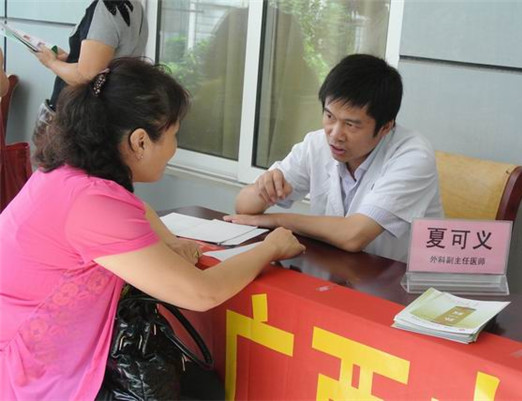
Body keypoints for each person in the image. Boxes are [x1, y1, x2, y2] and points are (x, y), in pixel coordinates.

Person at [0, 57, 305, 400]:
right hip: (28, 378)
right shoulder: (93, 203)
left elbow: (137, 211)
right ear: (140, 141)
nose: (174, 148)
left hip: (41, 357)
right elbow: (201, 293)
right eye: (174, 135)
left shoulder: (69, 175)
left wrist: (170, 243)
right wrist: (271, 248)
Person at [226, 54, 443, 262]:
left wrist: (276, 220)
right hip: (337, 268)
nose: (335, 134)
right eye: (329, 116)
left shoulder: (412, 156)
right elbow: (244, 207)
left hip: (398, 279)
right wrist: (263, 189)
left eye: (351, 124)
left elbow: (353, 235)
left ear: (386, 127)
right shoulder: (317, 143)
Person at [33, 0, 148, 144]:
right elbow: (104, 62)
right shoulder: (135, 6)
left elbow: (86, 75)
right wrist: (70, 58)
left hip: (80, 119)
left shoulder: (106, 9)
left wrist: (51, 62)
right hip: (108, 113)